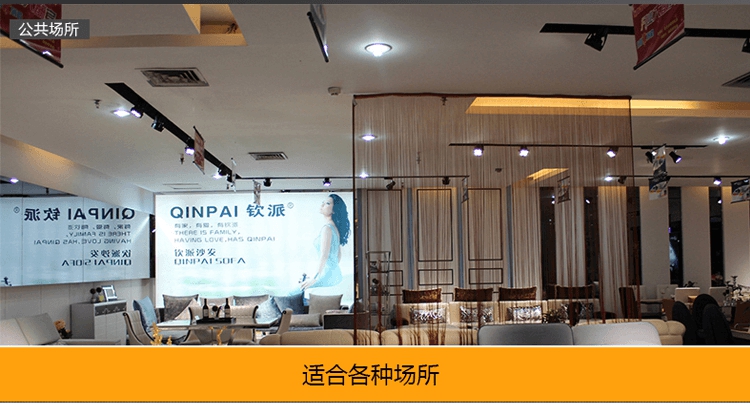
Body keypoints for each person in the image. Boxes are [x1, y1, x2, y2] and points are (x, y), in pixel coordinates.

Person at [300, 194, 350, 291]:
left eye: (327, 203)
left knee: (292, 293)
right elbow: (338, 256)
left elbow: (324, 255)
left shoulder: (327, 228)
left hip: (327, 276)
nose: (322, 205)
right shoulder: (334, 228)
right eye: (322, 203)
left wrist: (315, 278)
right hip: (334, 275)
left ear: (334, 210)